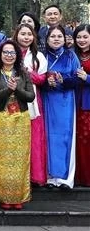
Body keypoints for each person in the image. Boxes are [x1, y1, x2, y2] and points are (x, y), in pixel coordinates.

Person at [0, 41, 35, 209]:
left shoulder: (23, 73)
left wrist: (16, 89)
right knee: (1, 159)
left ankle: (19, 197)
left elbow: (31, 97)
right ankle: (2, 196)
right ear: (0, 55)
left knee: (20, 158)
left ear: (17, 56)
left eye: (12, 53)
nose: (9, 56)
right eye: (6, 52)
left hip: (20, 119)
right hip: (1, 118)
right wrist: (8, 90)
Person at [41, 25, 80, 189]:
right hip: (47, 100)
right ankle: (50, 176)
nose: (56, 39)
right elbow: (35, 78)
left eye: (59, 36)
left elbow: (79, 79)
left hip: (65, 101)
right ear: (47, 39)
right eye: (53, 36)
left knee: (65, 137)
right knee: (48, 137)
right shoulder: (42, 56)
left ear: (65, 39)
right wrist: (46, 82)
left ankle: (66, 179)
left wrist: (64, 80)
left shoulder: (71, 56)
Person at [14, 23, 48, 186]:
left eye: (29, 34)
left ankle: (34, 175)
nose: (26, 37)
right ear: (16, 35)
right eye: (23, 34)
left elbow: (42, 79)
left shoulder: (38, 56)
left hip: (32, 99)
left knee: (33, 137)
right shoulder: (10, 52)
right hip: (12, 98)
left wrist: (28, 73)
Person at [73, 24, 90, 186]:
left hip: (88, 104)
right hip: (75, 104)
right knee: (80, 141)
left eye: (85, 37)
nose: (82, 40)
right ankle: (82, 178)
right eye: (79, 37)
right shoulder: (72, 55)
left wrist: (87, 78)